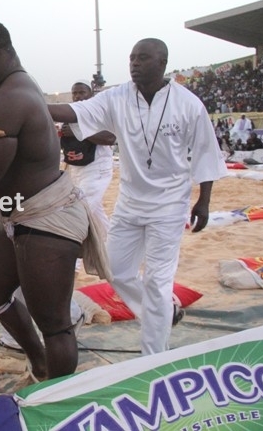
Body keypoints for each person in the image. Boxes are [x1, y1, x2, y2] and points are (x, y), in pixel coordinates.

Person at [0, 19, 107, 382]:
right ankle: (39, 361)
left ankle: (57, 403)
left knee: (55, 324)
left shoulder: (5, 99)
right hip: (20, 216)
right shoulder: (16, 89)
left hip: (46, 216)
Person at [48, 38, 227, 356]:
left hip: (170, 206)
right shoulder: (116, 97)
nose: (134, 63)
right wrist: (27, 106)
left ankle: (153, 359)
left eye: (143, 58)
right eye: (131, 58)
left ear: (162, 62)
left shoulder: (188, 104)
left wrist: (204, 201)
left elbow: (205, 154)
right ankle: (163, 313)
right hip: (130, 203)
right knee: (115, 270)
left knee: (159, 281)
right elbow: (73, 111)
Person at [58, 80, 115, 235]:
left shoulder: (100, 113)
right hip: (75, 170)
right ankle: (110, 244)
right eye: (74, 93)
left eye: (82, 92)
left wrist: (80, 131)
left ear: (90, 94)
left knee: (77, 212)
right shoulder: (70, 115)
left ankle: (73, 258)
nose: (78, 96)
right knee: (95, 214)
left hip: (96, 169)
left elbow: (110, 138)